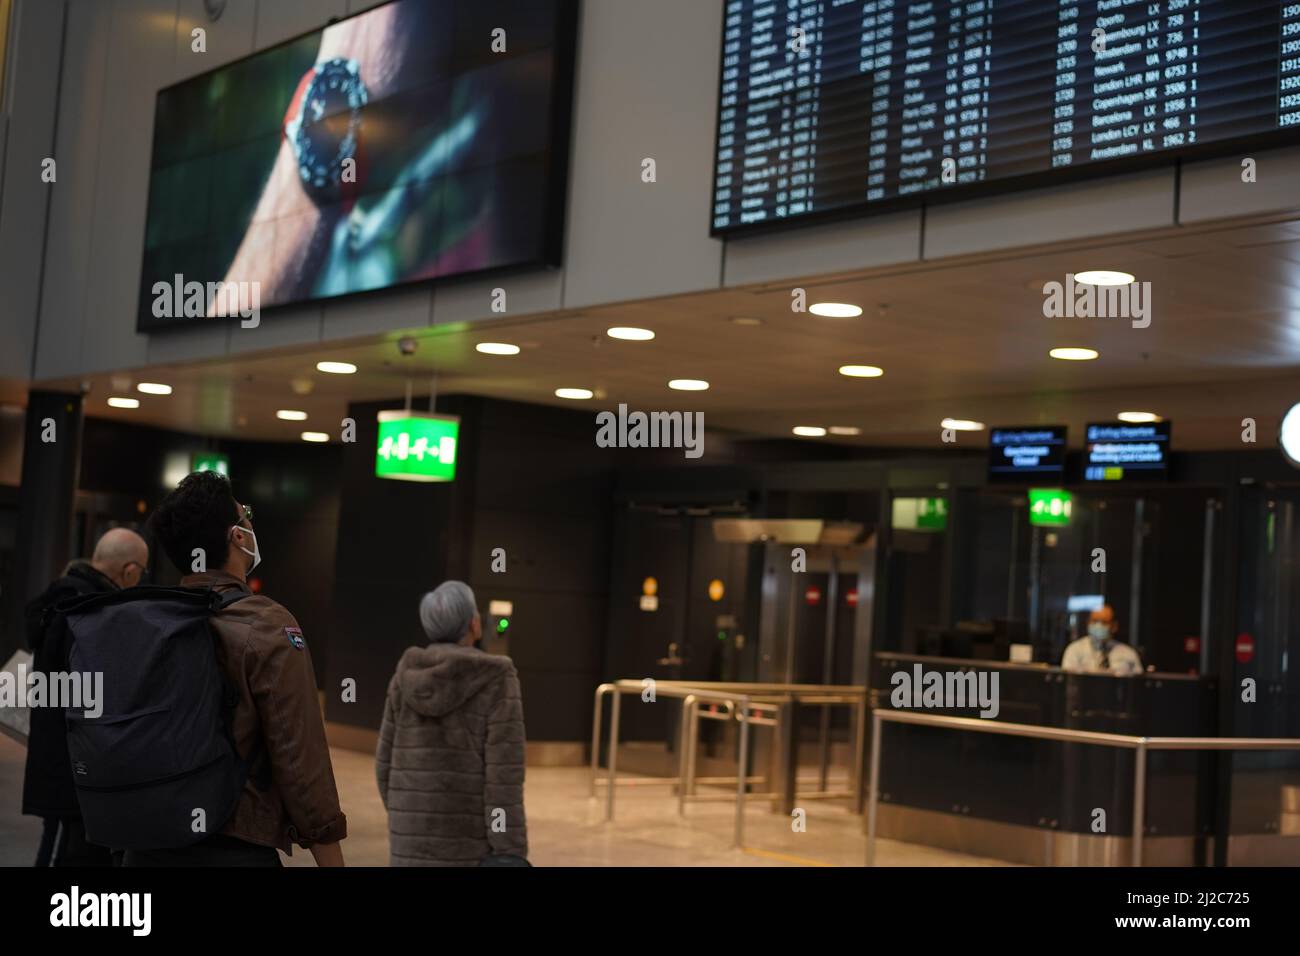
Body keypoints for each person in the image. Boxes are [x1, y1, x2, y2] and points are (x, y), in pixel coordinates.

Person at [141, 471, 347, 866]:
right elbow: (300, 759)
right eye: (246, 514)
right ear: (237, 536)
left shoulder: (148, 621)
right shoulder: (267, 625)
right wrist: (330, 854)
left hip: (146, 842)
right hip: (231, 847)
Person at [376, 580, 528, 866]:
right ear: (474, 624)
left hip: (409, 844)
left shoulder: (404, 676)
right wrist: (509, 850)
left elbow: (384, 765)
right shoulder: (497, 678)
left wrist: (409, 818)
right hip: (470, 849)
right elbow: (503, 778)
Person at [23, 528, 149, 866]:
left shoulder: (61, 596)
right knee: (73, 852)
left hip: (58, 758)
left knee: (55, 845)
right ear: (130, 571)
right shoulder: (92, 610)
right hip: (81, 767)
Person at [1061, 604, 1143, 675]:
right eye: (1095, 621)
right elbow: (1070, 682)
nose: (1098, 625)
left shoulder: (1128, 654)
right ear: (1088, 623)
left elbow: (1136, 685)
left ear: (1114, 626)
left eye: (1104, 622)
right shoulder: (1074, 650)